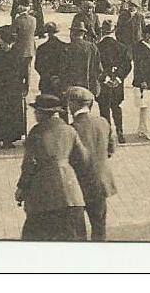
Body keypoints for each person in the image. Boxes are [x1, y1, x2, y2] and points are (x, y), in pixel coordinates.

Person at [15, 94, 90, 241]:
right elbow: (83, 159)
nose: (35, 114)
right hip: (72, 195)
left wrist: (21, 188)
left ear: (43, 113)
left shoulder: (36, 132)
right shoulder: (69, 130)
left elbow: (29, 165)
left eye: (37, 111)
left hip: (44, 197)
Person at [65, 86, 117, 242]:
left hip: (78, 186)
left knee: (78, 232)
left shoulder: (71, 129)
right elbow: (110, 150)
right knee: (99, 228)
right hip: (101, 184)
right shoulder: (103, 122)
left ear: (73, 104)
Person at [96, 20, 132, 143]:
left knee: (104, 109)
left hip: (103, 84)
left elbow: (95, 67)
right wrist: (118, 78)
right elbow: (127, 65)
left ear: (102, 31)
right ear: (114, 31)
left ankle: (108, 135)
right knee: (116, 107)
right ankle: (120, 132)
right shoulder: (121, 47)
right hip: (117, 84)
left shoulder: (96, 47)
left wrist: (104, 79)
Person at [131, 24, 150, 141]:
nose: (149, 36)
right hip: (142, 81)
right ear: (143, 34)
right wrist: (142, 80)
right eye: (147, 33)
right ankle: (147, 130)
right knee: (145, 106)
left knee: (146, 106)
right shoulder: (138, 47)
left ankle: (140, 128)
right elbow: (138, 66)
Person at [35, 22, 68, 98]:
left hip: (45, 82)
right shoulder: (64, 47)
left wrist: (46, 75)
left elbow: (37, 66)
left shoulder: (41, 48)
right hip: (60, 82)